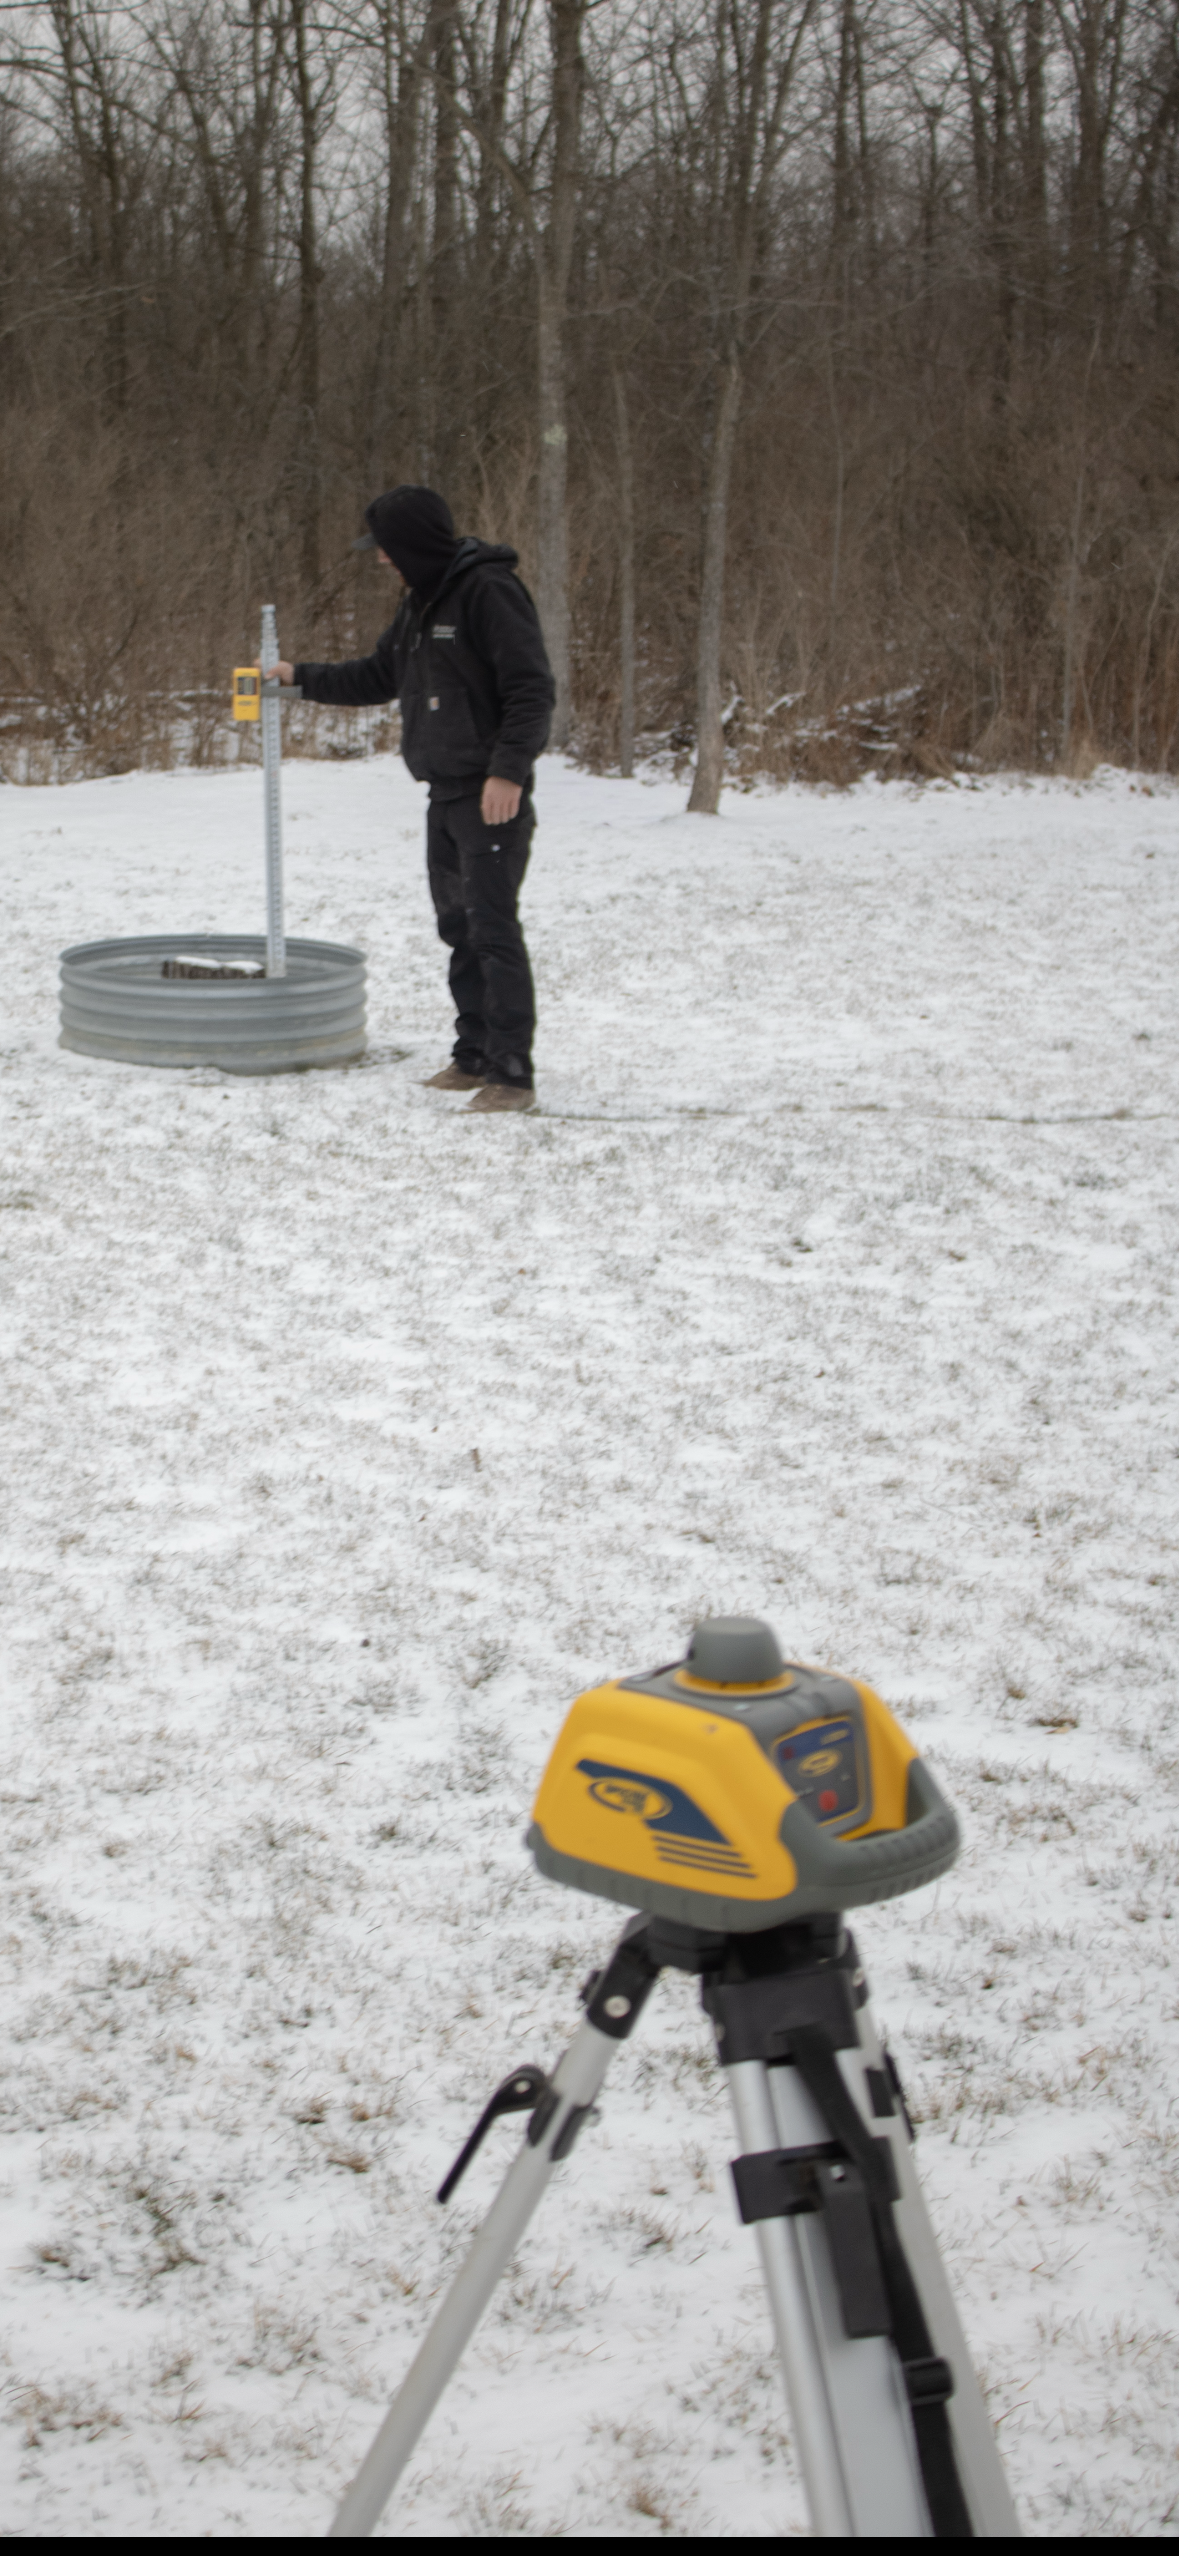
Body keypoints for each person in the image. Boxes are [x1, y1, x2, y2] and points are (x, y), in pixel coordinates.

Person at [267, 484, 554, 1113]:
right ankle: (472, 1055)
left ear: (416, 543)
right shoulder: (420, 605)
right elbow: (377, 675)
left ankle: (513, 1074)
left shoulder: (487, 592)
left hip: (489, 796)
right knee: (459, 928)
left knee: (492, 928)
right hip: (444, 795)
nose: (380, 560)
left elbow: (531, 689)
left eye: (387, 548)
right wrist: (300, 678)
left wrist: (507, 771)